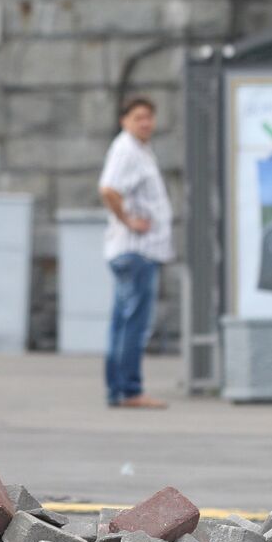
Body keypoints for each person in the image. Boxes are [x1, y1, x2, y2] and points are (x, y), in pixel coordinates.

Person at [97, 95, 173, 409]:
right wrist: (127, 219)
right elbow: (108, 189)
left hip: (134, 251)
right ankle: (130, 390)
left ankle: (118, 389)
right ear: (124, 120)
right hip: (135, 251)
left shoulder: (138, 149)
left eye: (149, 117)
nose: (146, 123)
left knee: (122, 322)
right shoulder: (127, 150)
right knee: (134, 324)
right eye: (139, 117)